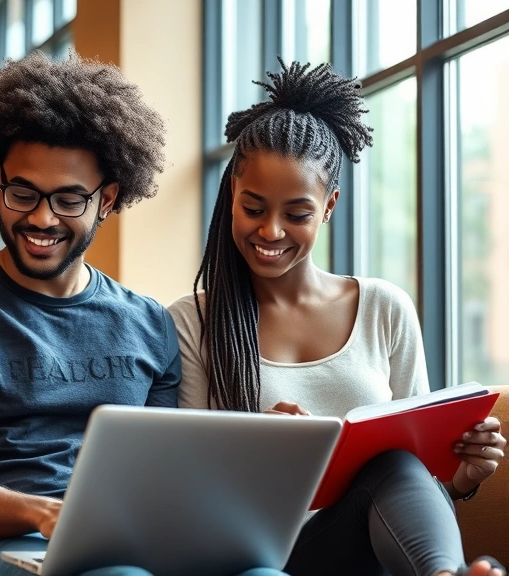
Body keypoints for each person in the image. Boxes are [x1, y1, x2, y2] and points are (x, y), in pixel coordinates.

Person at [0, 51, 283, 576]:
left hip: (125, 543)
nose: (42, 218)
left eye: (69, 200)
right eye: (22, 192)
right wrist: (49, 513)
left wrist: (254, 453)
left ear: (109, 199)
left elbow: (158, 477)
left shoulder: (149, 324)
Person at [167, 60, 506, 576]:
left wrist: (461, 476)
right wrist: (261, 453)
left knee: (392, 463)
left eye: (296, 214)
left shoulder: (384, 309)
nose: (272, 231)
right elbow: (184, 491)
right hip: (261, 557)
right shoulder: (192, 322)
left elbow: (414, 479)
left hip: (373, 550)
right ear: (231, 193)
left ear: (329, 206)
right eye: (253, 208)